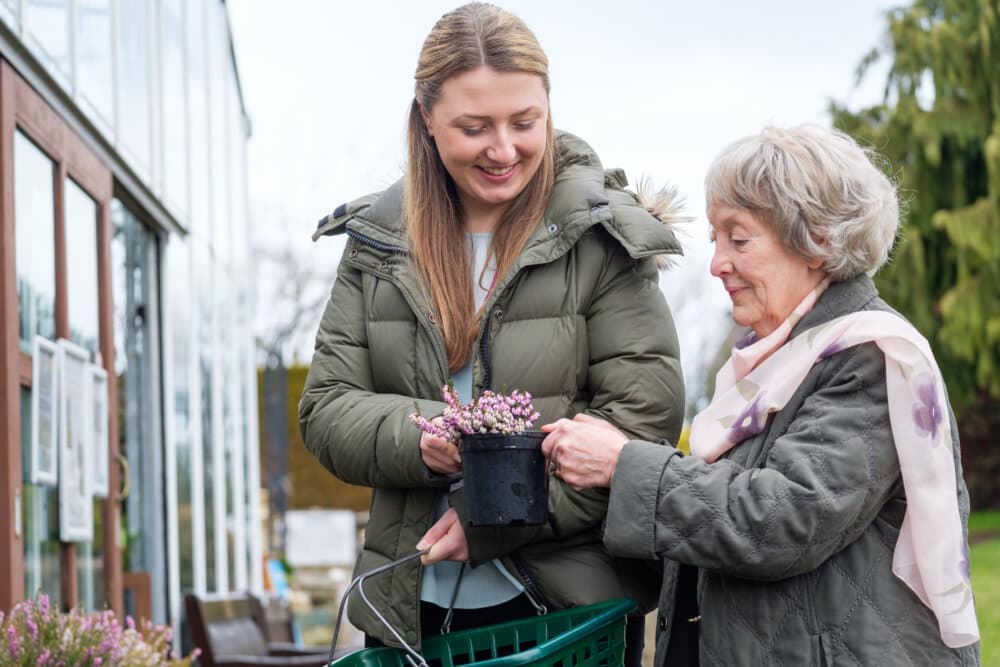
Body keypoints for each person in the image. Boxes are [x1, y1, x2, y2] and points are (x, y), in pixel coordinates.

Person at [298, 2, 685, 661]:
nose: (504, 150)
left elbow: (639, 423)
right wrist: (427, 439)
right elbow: (327, 408)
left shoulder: (601, 237)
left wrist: (495, 521)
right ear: (426, 119)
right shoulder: (377, 243)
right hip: (410, 613)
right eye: (474, 127)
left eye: (524, 122)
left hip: (566, 613)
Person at [541, 125, 981, 666]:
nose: (716, 264)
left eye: (739, 239)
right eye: (715, 239)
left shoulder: (870, 357)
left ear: (816, 241)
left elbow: (781, 521)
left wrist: (625, 466)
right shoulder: (769, 363)